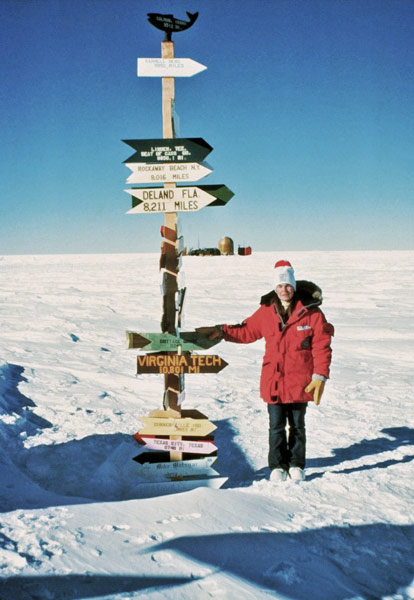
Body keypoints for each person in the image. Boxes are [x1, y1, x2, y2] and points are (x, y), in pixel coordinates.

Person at [197, 260, 334, 482]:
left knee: (298, 426)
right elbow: (247, 331)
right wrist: (222, 331)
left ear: (294, 286)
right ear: (275, 288)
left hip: (302, 380)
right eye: (280, 286)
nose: (284, 290)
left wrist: (320, 375)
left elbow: (322, 346)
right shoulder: (267, 311)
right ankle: (277, 466)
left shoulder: (312, 313)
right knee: (276, 427)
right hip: (275, 380)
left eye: (287, 285)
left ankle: (297, 464)